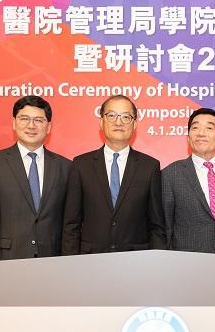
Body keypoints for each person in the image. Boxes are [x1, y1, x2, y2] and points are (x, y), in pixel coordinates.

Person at [62, 95, 164, 254]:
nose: (119, 122)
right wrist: (70, 264)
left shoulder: (149, 166)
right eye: (112, 115)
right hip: (90, 260)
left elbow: (156, 226)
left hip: (136, 261)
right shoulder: (81, 164)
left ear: (135, 123)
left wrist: (156, 264)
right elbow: (71, 224)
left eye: (126, 117)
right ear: (101, 122)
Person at [0, 95, 71, 260]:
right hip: (7, 258)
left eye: (38, 120)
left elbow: (69, 222)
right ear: (14, 123)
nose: (31, 126)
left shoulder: (65, 166)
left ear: (49, 127)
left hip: (51, 259)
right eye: (24, 119)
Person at [161, 107, 215, 254]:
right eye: (195, 128)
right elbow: (165, 228)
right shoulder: (170, 174)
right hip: (187, 267)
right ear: (188, 137)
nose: (201, 133)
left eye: (209, 128)